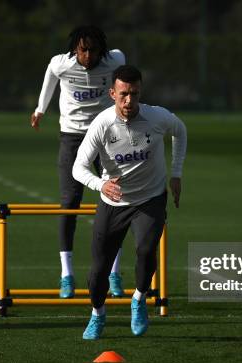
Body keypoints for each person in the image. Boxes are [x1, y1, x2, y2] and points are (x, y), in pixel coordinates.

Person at [73, 64, 187, 340]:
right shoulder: (102, 124)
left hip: (150, 199)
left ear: (140, 92)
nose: (129, 101)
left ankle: (139, 299)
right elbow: (78, 167)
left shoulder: (157, 117)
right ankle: (98, 314)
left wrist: (176, 173)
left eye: (134, 94)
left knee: (146, 251)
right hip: (113, 204)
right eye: (123, 94)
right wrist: (102, 184)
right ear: (112, 93)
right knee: (98, 271)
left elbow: (180, 131)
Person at [31, 26, 126, 299]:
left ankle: (114, 273)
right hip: (71, 136)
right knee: (70, 201)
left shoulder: (115, 61)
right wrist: (40, 109)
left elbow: (125, 82)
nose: (87, 55)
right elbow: (49, 81)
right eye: (82, 50)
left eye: (92, 50)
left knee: (116, 200)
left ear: (101, 50)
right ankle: (66, 275)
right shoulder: (61, 64)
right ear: (75, 49)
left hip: (106, 135)